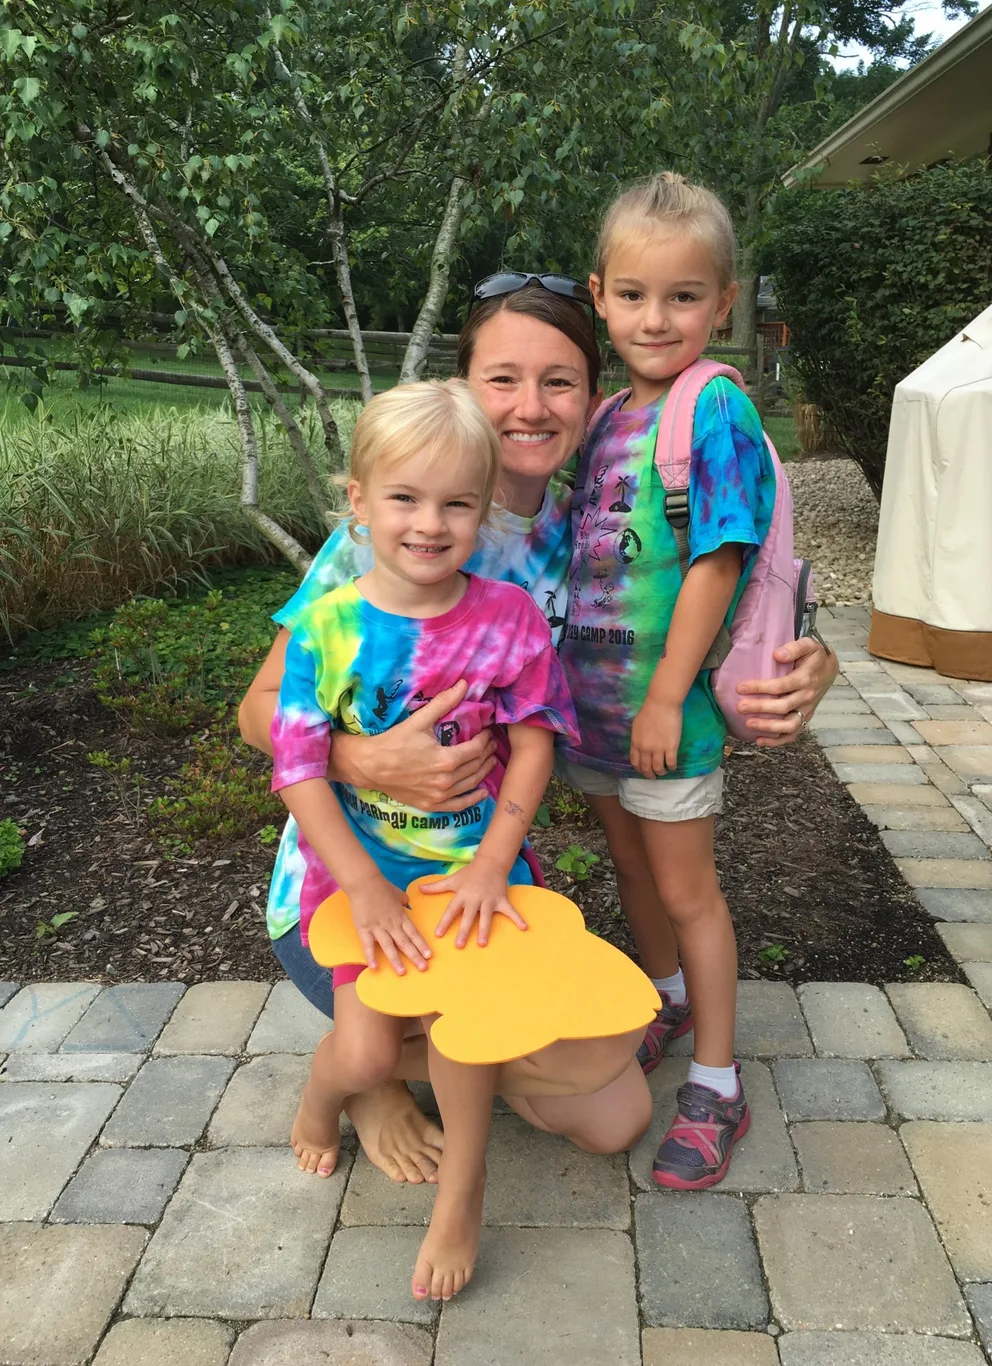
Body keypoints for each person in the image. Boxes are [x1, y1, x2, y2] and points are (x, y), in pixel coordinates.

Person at [238, 274, 839, 1186]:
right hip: (345, 888)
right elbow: (260, 714)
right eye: (503, 379)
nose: (530, 407)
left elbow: (714, 586)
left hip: (478, 878)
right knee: (425, 1045)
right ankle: (366, 1077)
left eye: (559, 381)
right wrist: (366, 759)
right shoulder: (398, 530)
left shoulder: (588, 530)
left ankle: (413, 1054)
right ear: (467, 389)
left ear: (592, 399)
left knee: (611, 1118)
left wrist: (811, 655)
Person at [271, 379, 579, 1300]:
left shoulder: (510, 620)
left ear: (486, 513)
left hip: (473, 871)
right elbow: (298, 770)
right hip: (363, 875)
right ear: (358, 502)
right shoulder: (325, 627)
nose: (430, 523)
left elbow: (534, 745)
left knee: (471, 1021)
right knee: (364, 1054)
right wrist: (362, 886)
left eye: (457, 503)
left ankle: (464, 1193)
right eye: (404, 498)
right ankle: (323, 1101)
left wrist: (494, 863)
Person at [556, 171, 793, 1190]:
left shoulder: (715, 408)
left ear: (723, 302)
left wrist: (663, 696)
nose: (658, 318)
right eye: (636, 295)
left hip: (671, 716)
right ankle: (664, 1000)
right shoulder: (607, 413)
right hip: (593, 714)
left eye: (685, 296)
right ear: (601, 294)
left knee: (688, 888)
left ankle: (717, 1081)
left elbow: (719, 556)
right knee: (630, 868)